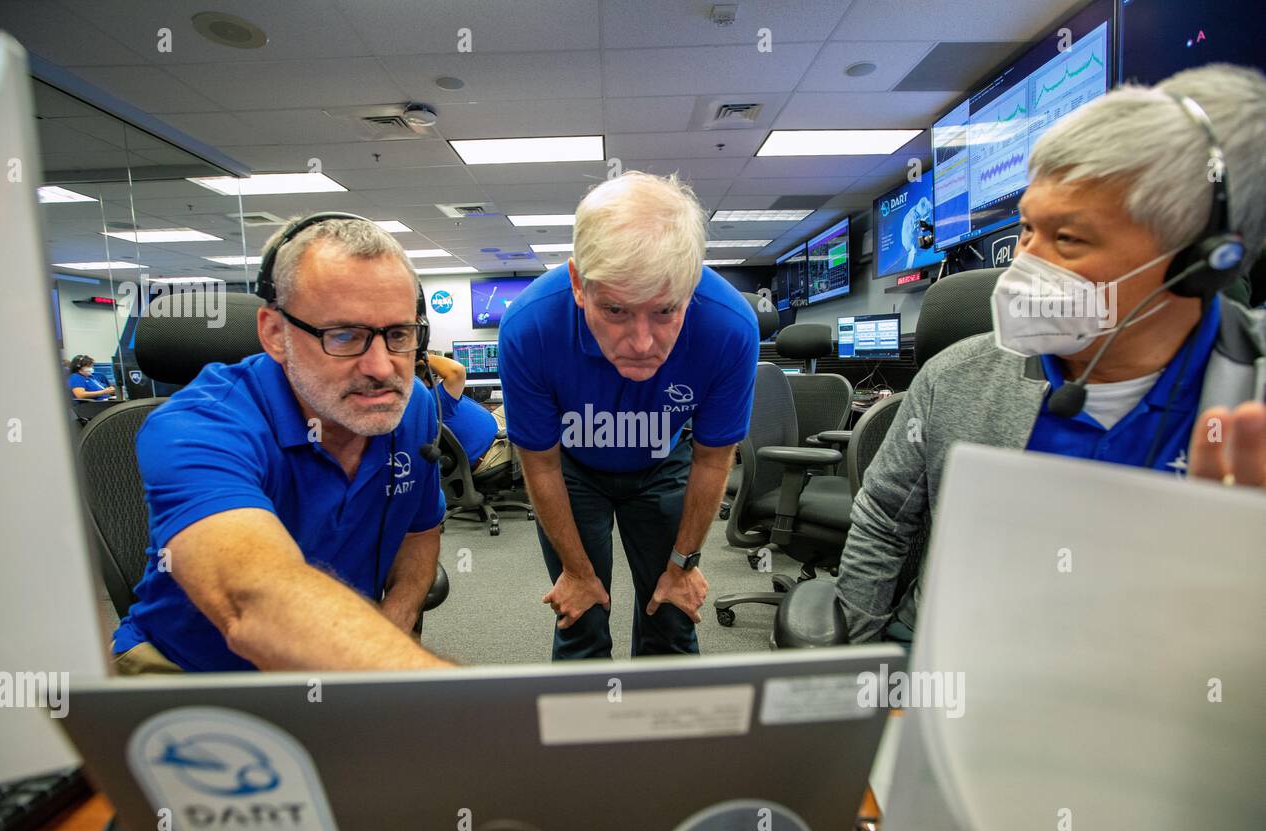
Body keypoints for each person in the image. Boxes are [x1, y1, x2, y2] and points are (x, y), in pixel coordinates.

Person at [834, 64, 1266, 646]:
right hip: (964, 668)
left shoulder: (1249, 393)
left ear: (1195, 264)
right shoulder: (957, 377)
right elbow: (882, 523)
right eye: (1027, 229)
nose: (1024, 265)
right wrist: (868, 671)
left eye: (1068, 239)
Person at [110, 215, 451, 673]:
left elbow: (420, 530)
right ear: (274, 333)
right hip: (190, 673)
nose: (381, 367)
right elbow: (258, 604)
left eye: (398, 335)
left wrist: (397, 618)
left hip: (342, 660)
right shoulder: (198, 425)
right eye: (344, 336)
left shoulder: (413, 409)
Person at [499, 171, 759, 660]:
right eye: (616, 311)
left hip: (664, 463)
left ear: (692, 283)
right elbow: (541, 464)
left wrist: (684, 564)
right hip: (573, 470)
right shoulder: (529, 328)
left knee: (672, 613)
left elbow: (711, 458)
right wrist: (577, 573)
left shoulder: (728, 327)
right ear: (579, 284)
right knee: (580, 616)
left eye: (665, 312)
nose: (642, 342)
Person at [420, 351, 510, 474]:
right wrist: (420, 356)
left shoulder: (435, 395)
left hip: (495, 425)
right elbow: (457, 371)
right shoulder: (432, 399)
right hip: (493, 449)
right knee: (537, 423)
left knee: (524, 402)